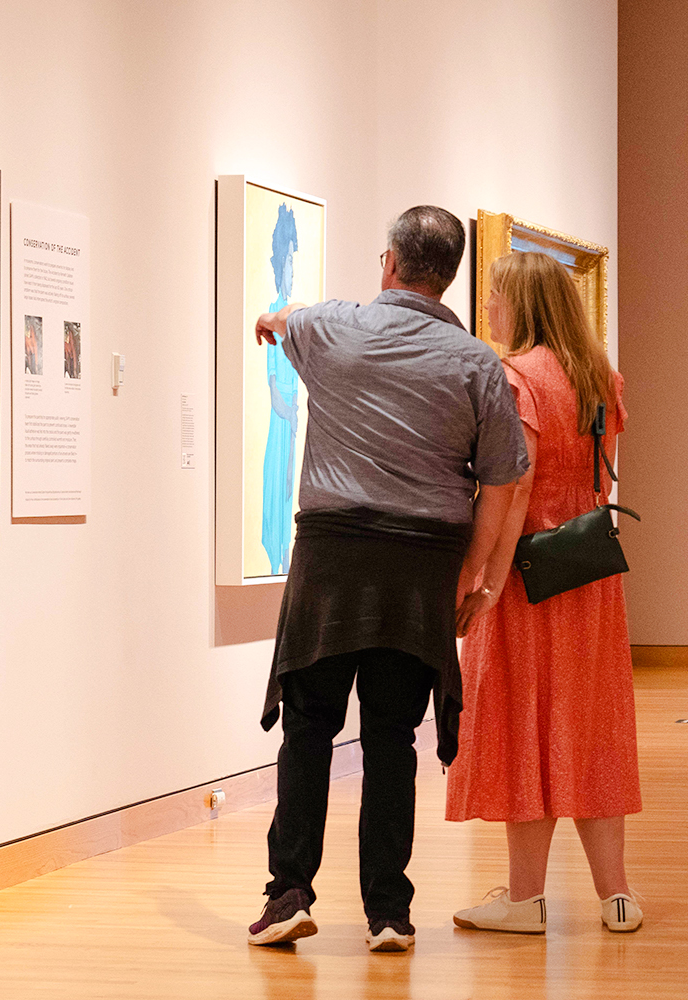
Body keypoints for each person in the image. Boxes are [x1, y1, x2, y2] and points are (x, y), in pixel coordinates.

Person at [246, 206, 530, 953]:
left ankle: (289, 894)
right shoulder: (476, 363)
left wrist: (271, 318)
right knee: (392, 737)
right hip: (422, 563)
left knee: (309, 726)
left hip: (333, 557)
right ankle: (388, 913)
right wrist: (477, 577)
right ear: (450, 276)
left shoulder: (332, 327)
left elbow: (284, 319)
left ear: (389, 265)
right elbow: (502, 482)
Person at [444, 251, 643, 934]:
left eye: (495, 296)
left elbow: (514, 485)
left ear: (520, 304)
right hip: (587, 574)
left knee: (522, 725)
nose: (489, 308)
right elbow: (599, 476)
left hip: (527, 574)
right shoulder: (599, 377)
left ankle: (525, 899)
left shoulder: (514, 378)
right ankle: (616, 895)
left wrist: (482, 579)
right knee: (591, 726)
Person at [261, 205, 302, 575]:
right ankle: (276, 557)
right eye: (288, 262)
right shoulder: (276, 312)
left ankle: (284, 559)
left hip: (292, 419)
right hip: (281, 422)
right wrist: (290, 415)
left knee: (291, 489)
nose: (292, 270)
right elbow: (274, 387)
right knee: (279, 488)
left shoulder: (293, 318)